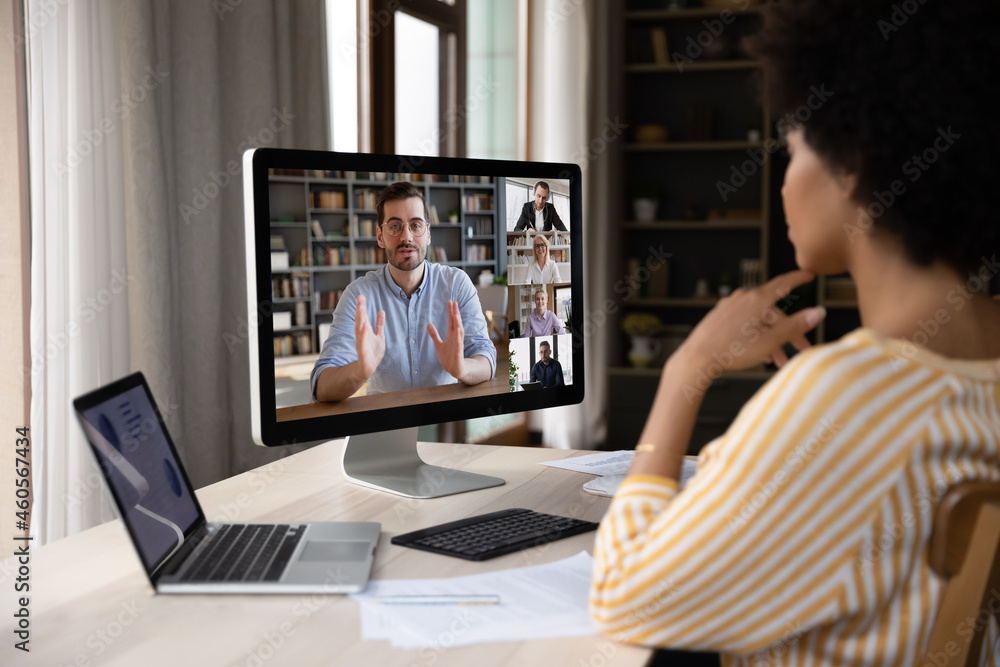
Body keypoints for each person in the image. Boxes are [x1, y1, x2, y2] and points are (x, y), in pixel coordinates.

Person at [589, 2, 1000, 666]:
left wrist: (686, 368)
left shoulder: (852, 396)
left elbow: (622, 596)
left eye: (793, 149)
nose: (783, 183)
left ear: (852, 163)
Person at [311, 182, 496, 401]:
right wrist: (360, 370)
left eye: (416, 225)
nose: (406, 237)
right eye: (395, 226)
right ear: (380, 236)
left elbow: (486, 358)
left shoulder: (457, 284)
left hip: (446, 415)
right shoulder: (358, 295)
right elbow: (321, 386)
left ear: (428, 233)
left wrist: (462, 368)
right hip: (386, 421)